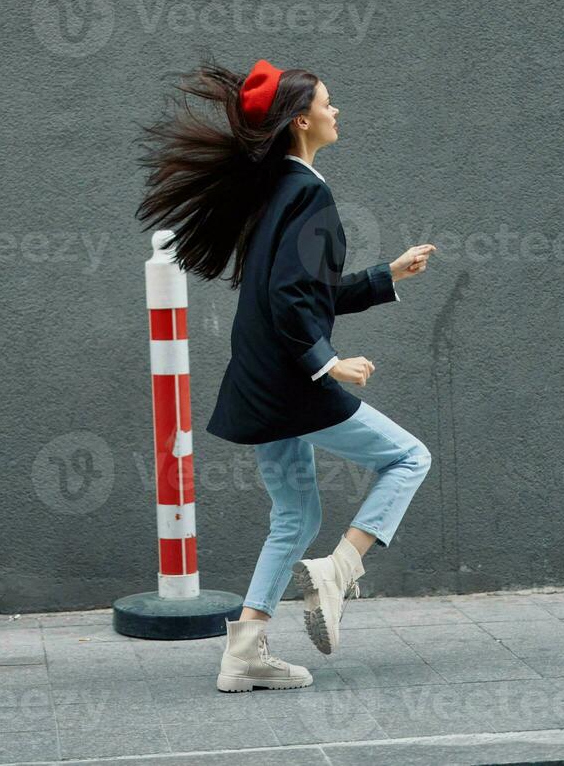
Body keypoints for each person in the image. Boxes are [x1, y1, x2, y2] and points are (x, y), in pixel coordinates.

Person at [135, 59, 436, 693]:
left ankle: (244, 651)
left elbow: (307, 291)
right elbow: (290, 296)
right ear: (301, 120)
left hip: (261, 381)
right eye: (329, 103)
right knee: (409, 459)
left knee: (295, 514)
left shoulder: (280, 189)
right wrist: (327, 362)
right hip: (292, 383)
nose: (337, 111)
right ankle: (341, 569)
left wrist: (388, 276)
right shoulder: (310, 193)